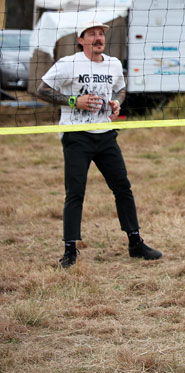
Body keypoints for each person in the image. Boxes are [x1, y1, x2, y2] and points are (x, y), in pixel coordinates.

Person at [37, 21, 162, 268]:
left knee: (123, 187)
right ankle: (70, 250)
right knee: (75, 193)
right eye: (92, 34)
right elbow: (41, 90)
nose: (98, 38)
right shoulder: (68, 64)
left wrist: (116, 102)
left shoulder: (114, 64)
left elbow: (121, 90)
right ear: (81, 40)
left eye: (101, 34)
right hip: (77, 135)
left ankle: (135, 242)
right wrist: (74, 100)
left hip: (105, 135)